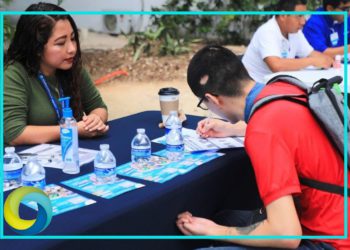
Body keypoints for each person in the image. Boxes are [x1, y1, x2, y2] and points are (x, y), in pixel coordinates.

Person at [176, 45, 348, 249]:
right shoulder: (284, 87)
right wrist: (232, 129)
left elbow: (286, 236)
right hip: (338, 213)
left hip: (331, 241)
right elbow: (288, 130)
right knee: (225, 216)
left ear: (212, 99)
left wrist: (213, 230)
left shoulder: (262, 130)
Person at [4, 2, 109, 146]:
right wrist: (71, 130)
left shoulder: (72, 66)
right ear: (37, 47)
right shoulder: (13, 74)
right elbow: (14, 134)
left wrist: (95, 119)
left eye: (72, 38)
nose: (72, 49)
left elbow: (99, 107)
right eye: (60, 43)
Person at [242, 0, 333, 83]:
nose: (303, 22)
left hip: (276, 84)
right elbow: (276, 66)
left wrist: (327, 60)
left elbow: (310, 53)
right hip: (255, 86)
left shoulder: (295, 32)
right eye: (299, 16)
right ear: (283, 16)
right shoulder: (267, 31)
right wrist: (312, 61)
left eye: (304, 16)